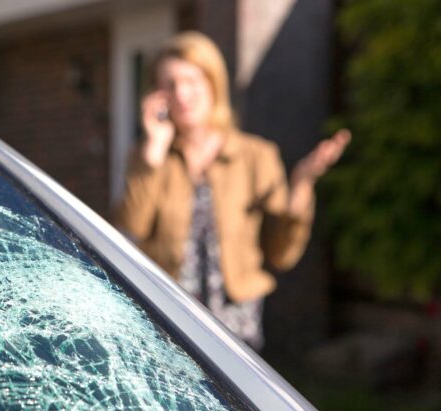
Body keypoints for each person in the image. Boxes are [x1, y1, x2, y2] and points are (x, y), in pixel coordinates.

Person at [112, 31, 351, 350]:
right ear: (157, 95)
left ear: (213, 83)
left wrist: (303, 183)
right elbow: (128, 233)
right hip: (164, 321)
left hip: (237, 327)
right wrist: (152, 155)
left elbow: (282, 253)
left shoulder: (256, 156)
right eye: (169, 84)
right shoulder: (149, 157)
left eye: (191, 80)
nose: (181, 94)